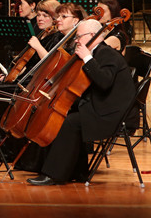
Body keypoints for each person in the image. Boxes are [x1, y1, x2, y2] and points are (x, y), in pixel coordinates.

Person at [27, 19, 134, 185]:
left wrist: (87, 58)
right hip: (100, 105)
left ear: (93, 35)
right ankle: (78, 171)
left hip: (111, 113)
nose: (76, 40)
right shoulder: (96, 53)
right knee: (66, 115)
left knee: (70, 122)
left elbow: (104, 82)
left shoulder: (107, 53)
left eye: (79, 36)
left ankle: (54, 175)